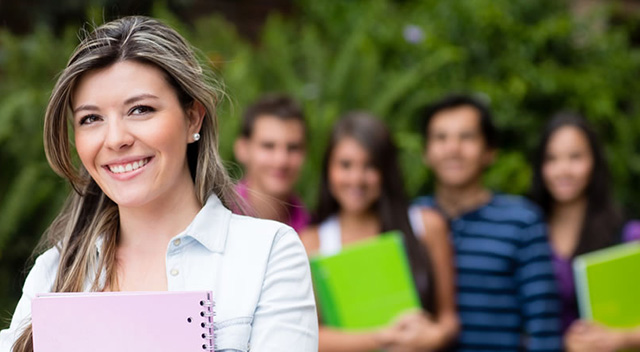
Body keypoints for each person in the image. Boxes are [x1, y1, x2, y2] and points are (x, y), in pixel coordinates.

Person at [0, 16, 317, 352]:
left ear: (192, 117)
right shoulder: (53, 272)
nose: (116, 139)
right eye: (91, 118)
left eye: (140, 110)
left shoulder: (267, 253)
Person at [413, 95, 563, 351]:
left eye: (467, 137)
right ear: (426, 152)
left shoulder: (522, 220)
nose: (453, 148)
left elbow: (544, 327)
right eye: (440, 138)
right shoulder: (410, 219)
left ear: (490, 152)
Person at [300, 112, 459, 352]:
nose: (357, 178)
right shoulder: (311, 243)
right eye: (345, 165)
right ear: (328, 170)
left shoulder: (426, 226)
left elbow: (448, 319)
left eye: (370, 166)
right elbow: (308, 334)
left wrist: (433, 336)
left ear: (386, 171)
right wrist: (383, 338)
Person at [529, 112, 640, 352]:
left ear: (595, 163)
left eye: (575, 157)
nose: (563, 170)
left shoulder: (628, 235)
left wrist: (623, 338)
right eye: (551, 158)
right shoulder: (527, 231)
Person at [233, 94, 310, 233]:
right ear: (243, 149)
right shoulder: (215, 214)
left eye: (293, 148)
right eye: (268, 146)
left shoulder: (316, 230)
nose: (281, 161)